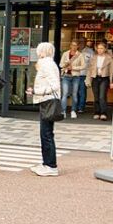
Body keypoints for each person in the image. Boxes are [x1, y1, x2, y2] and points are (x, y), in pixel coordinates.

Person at [28, 42, 61, 177]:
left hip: (47, 101)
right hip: (46, 100)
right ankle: (46, 163)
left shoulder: (46, 64)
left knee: (46, 134)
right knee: (47, 133)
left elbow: (55, 85)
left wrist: (37, 91)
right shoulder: (49, 63)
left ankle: (50, 165)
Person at [59, 40, 87, 118]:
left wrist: (73, 68)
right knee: (65, 94)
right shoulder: (65, 54)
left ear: (78, 46)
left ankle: (73, 111)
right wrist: (65, 64)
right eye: (72, 45)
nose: (74, 47)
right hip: (66, 76)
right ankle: (63, 111)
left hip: (76, 77)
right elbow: (60, 64)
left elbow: (84, 66)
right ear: (70, 45)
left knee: (74, 94)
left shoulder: (80, 55)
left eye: (75, 45)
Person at [88, 41, 113, 120]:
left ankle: (103, 113)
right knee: (96, 96)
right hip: (95, 77)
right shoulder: (94, 57)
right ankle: (97, 112)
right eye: (98, 48)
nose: (99, 50)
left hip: (104, 78)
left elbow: (111, 70)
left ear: (105, 49)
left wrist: (111, 82)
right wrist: (88, 80)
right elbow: (90, 69)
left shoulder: (109, 58)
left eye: (101, 48)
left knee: (102, 96)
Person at [76, 37, 94, 113]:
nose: (81, 43)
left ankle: (81, 108)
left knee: (82, 92)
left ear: (86, 42)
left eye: (83, 41)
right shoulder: (74, 51)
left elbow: (92, 63)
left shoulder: (90, 51)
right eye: (80, 41)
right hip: (75, 74)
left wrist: (90, 75)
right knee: (75, 92)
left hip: (84, 74)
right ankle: (75, 107)